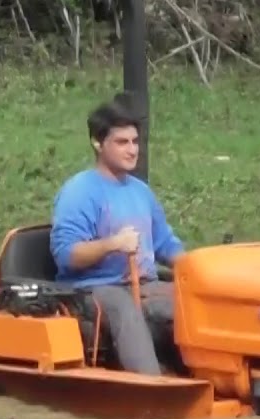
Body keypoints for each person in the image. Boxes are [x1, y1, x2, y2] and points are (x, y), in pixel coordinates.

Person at [49, 93, 186, 376]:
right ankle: (151, 389)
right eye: (122, 142)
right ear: (98, 143)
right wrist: (113, 244)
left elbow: (166, 244)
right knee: (123, 308)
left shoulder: (140, 191)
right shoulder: (80, 192)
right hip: (92, 289)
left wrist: (201, 271)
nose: (132, 150)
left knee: (194, 301)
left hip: (145, 284)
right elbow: (66, 255)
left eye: (135, 142)